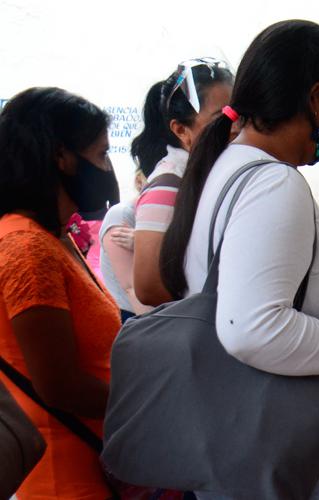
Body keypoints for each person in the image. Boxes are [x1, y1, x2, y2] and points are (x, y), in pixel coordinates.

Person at [158, 20, 319, 498]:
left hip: (250, 433)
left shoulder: (226, 167)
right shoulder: (272, 184)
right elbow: (252, 326)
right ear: (314, 96)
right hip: (300, 442)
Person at [0, 87, 121, 499]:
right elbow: (59, 385)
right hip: (63, 480)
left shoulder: (53, 237)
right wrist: (149, 405)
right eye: (101, 154)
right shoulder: (26, 249)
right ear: (62, 157)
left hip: (95, 466)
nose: (108, 169)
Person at [132, 58, 234, 307]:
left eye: (238, 115)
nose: (236, 127)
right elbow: (148, 288)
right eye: (221, 117)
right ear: (180, 130)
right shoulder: (168, 186)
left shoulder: (213, 172)